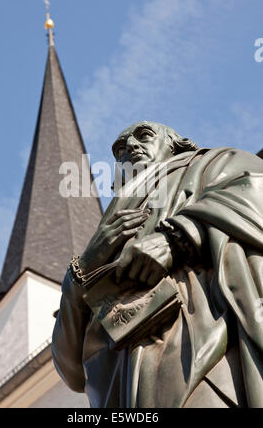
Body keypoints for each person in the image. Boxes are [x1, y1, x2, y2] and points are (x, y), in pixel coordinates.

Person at [52, 121, 263, 408]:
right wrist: (83, 270)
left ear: (176, 144)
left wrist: (178, 237)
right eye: (120, 150)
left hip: (202, 357)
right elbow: (72, 372)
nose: (130, 148)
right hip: (123, 391)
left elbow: (255, 190)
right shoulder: (106, 235)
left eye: (144, 136)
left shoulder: (214, 164)